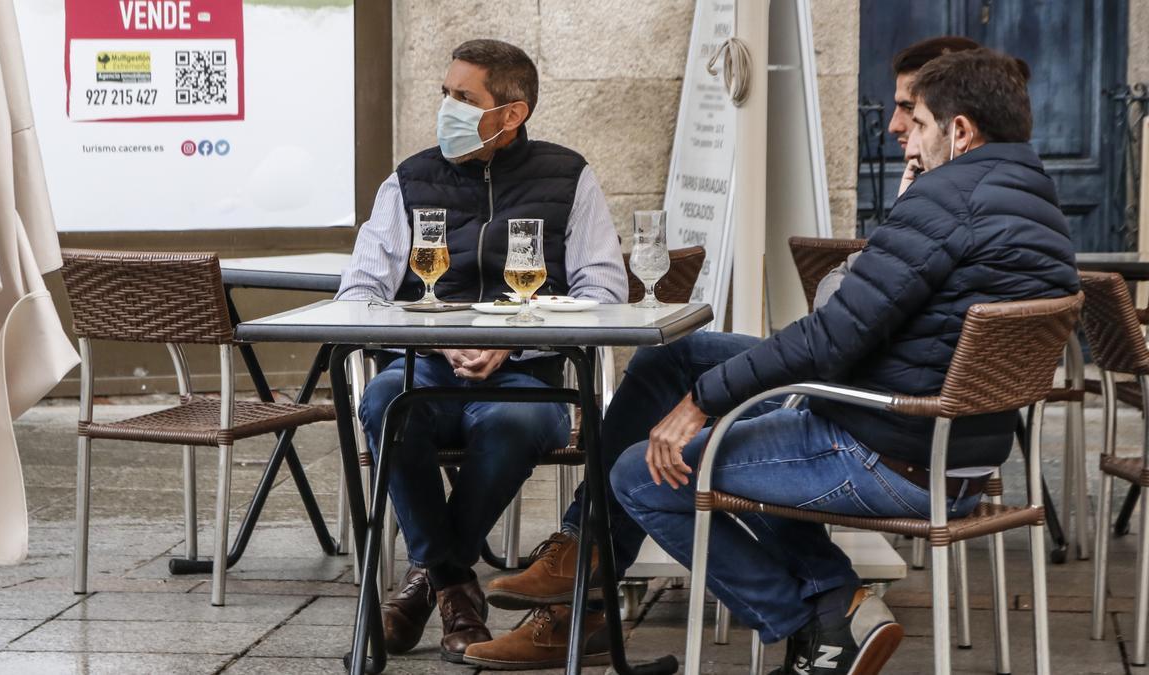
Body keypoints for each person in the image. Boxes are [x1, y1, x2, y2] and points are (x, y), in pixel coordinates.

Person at [467, 35, 991, 672]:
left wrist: (706, 404)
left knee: (656, 464)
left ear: (957, 126)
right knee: (673, 360)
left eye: (912, 110)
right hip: (901, 411)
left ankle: (820, 612)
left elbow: (834, 324)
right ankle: (589, 548)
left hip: (875, 419)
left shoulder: (943, 204)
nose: (897, 126)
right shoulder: (1000, 197)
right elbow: (855, 307)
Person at [335, 39, 628, 664]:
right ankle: (453, 586)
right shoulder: (409, 180)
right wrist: (438, 338)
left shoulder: (569, 176)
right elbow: (359, 291)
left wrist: (511, 341)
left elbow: (603, 290)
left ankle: (426, 585)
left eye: (463, 98)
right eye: (445, 93)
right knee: (389, 408)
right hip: (420, 368)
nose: (446, 107)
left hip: (529, 378)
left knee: (512, 422)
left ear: (511, 113)